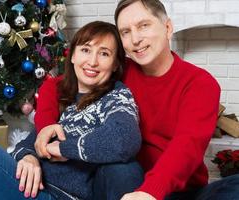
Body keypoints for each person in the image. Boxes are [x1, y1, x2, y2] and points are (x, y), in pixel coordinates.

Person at [33, 0, 239, 200]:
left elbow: (187, 147)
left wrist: (151, 192)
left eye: (144, 26)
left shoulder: (200, 83)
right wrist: (47, 126)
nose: (135, 39)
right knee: (120, 169)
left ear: (167, 28)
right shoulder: (121, 70)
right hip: (125, 183)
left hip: (177, 190)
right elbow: (57, 84)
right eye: (125, 32)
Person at [0, 21, 142, 200]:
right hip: (32, 188)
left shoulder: (115, 96)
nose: (93, 61)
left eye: (104, 53)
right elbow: (33, 140)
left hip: (60, 195)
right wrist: (28, 155)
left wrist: (62, 148)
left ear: (115, 64)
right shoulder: (67, 98)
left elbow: (125, 138)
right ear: (72, 56)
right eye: (86, 50)